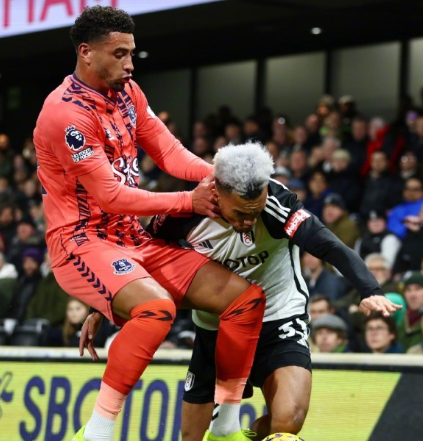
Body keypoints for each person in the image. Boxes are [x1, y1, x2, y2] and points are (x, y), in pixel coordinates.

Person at [34, 7, 267, 441]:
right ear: (86, 53)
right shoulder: (64, 114)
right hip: (82, 243)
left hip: (132, 238)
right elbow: (108, 195)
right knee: (155, 310)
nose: (130, 64)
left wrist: (223, 179)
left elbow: (170, 151)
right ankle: (97, 433)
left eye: (131, 53)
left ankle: (227, 426)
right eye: (119, 54)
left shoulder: (128, 93)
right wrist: (189, 200)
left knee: (246, 301)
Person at [137, 143, 398, 440]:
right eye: (239, 213)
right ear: (218, 193)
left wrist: (370, 289)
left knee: (288, 422)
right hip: (216, 326)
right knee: (192, 436)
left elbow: (329, 245)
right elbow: (140, 256)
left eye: (255, 212)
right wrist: (101, 306)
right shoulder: (186, 210)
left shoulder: (279, 203)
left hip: (278, 315)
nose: (248, 221)